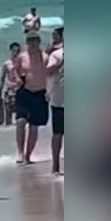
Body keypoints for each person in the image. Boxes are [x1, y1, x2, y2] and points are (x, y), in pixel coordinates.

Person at [14, 32, 49, 164]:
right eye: (30, 41)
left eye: (35, 41)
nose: (32, 44)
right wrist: (17, 80)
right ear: (26, 42)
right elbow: (15, 70)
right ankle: (20, 153)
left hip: (40, 93)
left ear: (39, 42)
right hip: (24, 92)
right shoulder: (22, 57)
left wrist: (49, 91)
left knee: (34, 126)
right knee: (20, 122)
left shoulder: (45, 57)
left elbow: (49, 76)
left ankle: (28, 156)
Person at [46, 27, 64, 175]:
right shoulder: (56, 55)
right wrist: (62, 62)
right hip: (59, 100)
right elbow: (48, 71)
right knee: (57, 134)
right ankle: (55, 166)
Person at [0, 42, 22, 126]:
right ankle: (8, 131)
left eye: (18, 51)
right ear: (10, 51)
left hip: (20, 90)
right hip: (10, 90)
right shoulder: (7, 64)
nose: (16, 53)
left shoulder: (22, 63)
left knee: (20, 114)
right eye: (14, 50)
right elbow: (2, 78)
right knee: (8, 113)